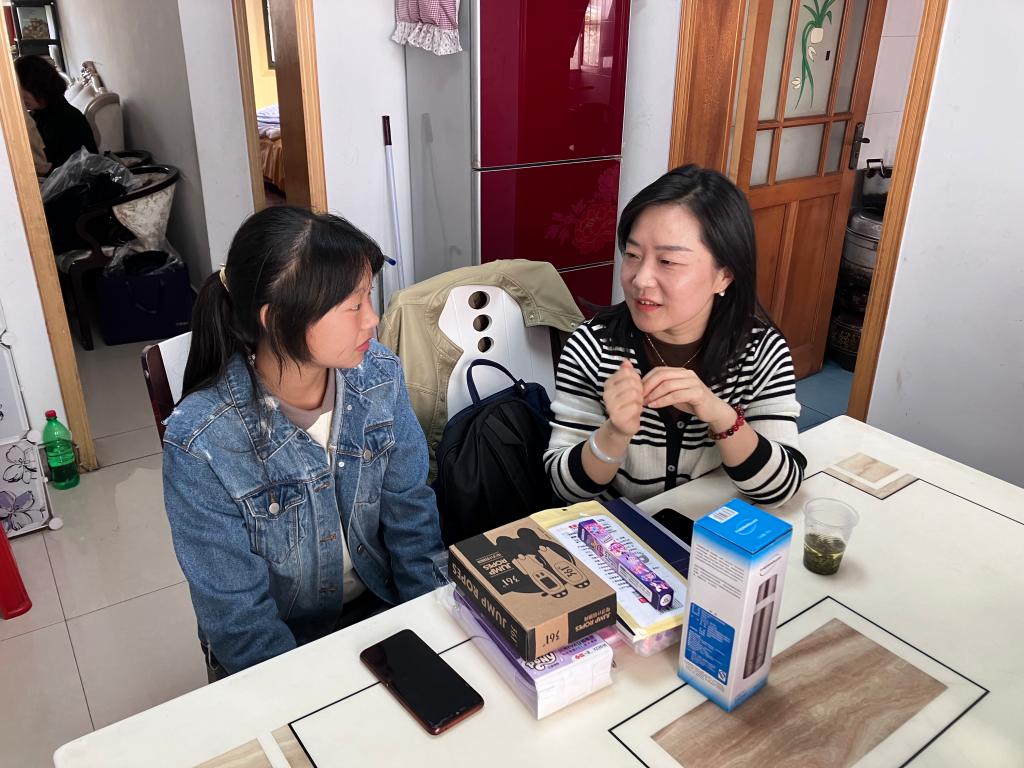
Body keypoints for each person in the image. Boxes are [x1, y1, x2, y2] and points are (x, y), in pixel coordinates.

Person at [162, 206, 443, 678]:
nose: (372, 320)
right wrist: (312, 696)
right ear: (277, 320)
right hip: (284, 650)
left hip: (382, 614)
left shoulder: (378, 376)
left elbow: (412, 519)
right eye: (353, 305)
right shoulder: (202, 443)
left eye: (368, 296)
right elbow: (239, 622)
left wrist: (431, 634)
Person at [544, 165, 805, 508]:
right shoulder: (592, 347)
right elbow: (565, 489)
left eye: (667, 261)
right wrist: (614, 433)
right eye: (633, 255)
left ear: (724, 276)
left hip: (712, 532)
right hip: (619, 533)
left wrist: (720, 415)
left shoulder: (760, 351)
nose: (641, 280)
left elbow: (781, 489)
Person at [15, 55, 97, 168]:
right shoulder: (38, 113)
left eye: (20, 89)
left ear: (35, 85)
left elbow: (59, 169)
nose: (19, 96)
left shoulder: (67, 120)